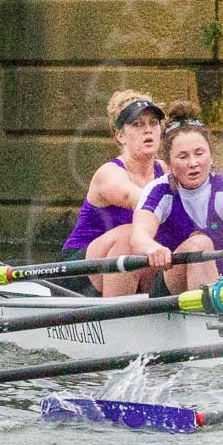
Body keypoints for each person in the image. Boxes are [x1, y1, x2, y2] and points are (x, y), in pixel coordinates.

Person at [112, 102, 223, 296]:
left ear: (211, 156)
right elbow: (139, 237)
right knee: (200, 244)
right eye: (183, 157)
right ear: (169, 163)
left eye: (199, 153)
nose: (193, 163)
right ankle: (208, 321)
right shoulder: (158, 191)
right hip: (174, 284)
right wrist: (153, 248)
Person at [58, 90, 166, 296]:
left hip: (128, 265)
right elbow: (139, 200)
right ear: (121, 136)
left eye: (153, 123)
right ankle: (119, 318)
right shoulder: (109, 173)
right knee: (130, 234)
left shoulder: (165, 170)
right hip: (75, 274)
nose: (148, 130)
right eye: (137, 124)